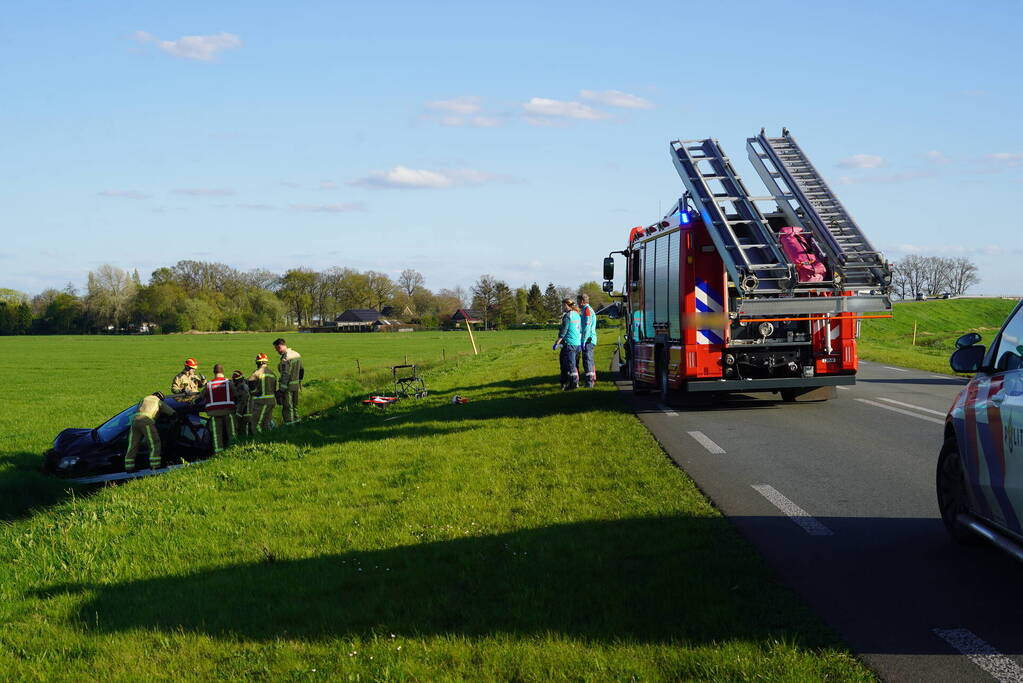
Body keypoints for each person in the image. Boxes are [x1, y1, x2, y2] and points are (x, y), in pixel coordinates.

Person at [125, 391, 176, 472]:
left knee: (133, 444)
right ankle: (155, 466)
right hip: (146, 421)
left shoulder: (144, 399)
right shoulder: (158, 401)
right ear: (160, 398)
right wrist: (175, 416)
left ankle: (129, 467)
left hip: (134, 421)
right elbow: (171, 412)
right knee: (154, 443)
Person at [202, 364, 236, 453]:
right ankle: (234, 450)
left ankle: (218, 452)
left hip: (214, 413)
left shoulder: (209, 384)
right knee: (232, 433)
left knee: (216, 435)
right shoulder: (229, 382)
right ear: (223, 372)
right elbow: (236, 394)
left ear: (214, 372)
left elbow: (201, 396)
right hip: (228, 411)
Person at [553, 298, 581, 390]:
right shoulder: (577, 314)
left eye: (563, 305)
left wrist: (557, 342)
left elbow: (564, 331)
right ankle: (575, 382)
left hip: (569, 344)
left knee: (567, 365)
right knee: (574, 364)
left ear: (566, 305)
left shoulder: (567, 316)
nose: (562, 307)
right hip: (577, 343)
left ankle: (572, 384)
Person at [273, 337, 303, 425]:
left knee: (287, 407)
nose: (277, 351)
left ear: (280, 346)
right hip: (296, 385)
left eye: (277, 349)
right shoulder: (297, 354)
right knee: (295, 406)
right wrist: (299, 381)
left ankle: (289, 425)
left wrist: (281, 390)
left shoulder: (285, 359)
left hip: (288, 387)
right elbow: (302, 370)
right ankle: (297, 421)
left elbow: (285, 375)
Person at [249, 353, 278, 433]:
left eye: (257, 362)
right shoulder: (272, 373)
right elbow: (274, 389)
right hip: (272, 401)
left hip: (261, 402)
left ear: (260, 362)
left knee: (256, 423)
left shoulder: (257, 373)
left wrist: (253, 393)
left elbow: (250, 385)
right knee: (266, 423)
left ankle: (258, 438)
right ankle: (268, 438)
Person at [577, 293, 598, 388]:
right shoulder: (586, 310)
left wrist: (583, 340)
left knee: (587, 360)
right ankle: (592, 380)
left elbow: (587, 327)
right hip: (589, 339)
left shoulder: (587, 310)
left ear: (582, 301)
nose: (577, 303)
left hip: (588, 339)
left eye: (578, 301)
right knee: (589, 360)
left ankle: (590, 382)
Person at [231, 370, 252, 438]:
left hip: (246, 412)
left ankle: (245, 441)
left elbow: (243, 400)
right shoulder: (242, 384)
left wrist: (238, 412)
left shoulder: (242, 387)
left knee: (244, 429)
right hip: (246, 411)